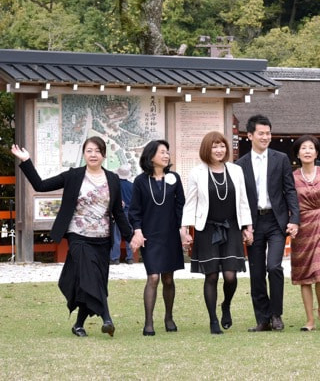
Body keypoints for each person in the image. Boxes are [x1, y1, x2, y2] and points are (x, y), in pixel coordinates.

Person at [11, 137, 131, 337]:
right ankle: (107, 318)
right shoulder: (74, 176)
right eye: (89, 150)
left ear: (104, 155)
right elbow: (40, 185)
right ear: (84, 153)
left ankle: (78, 325)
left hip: (102, 237)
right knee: (91, 276)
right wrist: (26, 161)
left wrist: (131, 235)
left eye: (97, 151)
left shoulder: (112, 179)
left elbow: (118, 213)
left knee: (94, 280)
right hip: (78, 235)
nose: (93, 154)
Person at [182, 131, 253, 334]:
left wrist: (248, 227)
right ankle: (213, 320)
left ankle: (226, 306)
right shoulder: (197, 172)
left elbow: (243, 201)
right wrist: (185, 230)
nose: (219, 150)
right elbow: (191, 203)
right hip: (207, 229)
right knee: (211, 275)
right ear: (207, 149)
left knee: (230, 276)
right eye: (214, 146)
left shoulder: (236, 171)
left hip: (231, 227)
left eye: (222, 146)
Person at [236, 115, 299, 332]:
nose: (265, 137)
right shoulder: (240, 165)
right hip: (253, 223)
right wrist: (244, 226)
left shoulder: (280, 159)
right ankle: (262, 319)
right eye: (261, 133)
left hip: (276, 221)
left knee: (274, 266)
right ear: (250, 135)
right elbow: (240, 198)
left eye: (268, 133)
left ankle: (276, 314)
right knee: (256, 271)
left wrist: (295, 219)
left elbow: (290, 189)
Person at [128, 140, 188, 336]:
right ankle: (148, 322)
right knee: (153, 277)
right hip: (150, 235)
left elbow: (181, 206)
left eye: (167, 152)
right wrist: (137, 231)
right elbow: (134, 210)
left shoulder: (174, 178)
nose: (166, 155)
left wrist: (182, 229)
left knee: (168, 279)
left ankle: (169, 317)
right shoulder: (140, 181)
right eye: (162, 152)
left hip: (170, 233)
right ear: (151, 156)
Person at [291, 134, 320, 331]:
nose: (307, 151)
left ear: (317, 152)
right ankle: (309, 318)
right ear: (298, 153)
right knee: (304, 275)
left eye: (311, 148)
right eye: (303, 148)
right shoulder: (292, 177)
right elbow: (289, 203)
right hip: (301, 227)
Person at [110, 164, 134, 264]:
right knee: (129, 235)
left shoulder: (115, 185)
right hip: (130, 213)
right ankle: (130, 258)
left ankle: (115, 258)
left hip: (118, 213)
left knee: (116, 236)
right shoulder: (132, 186)